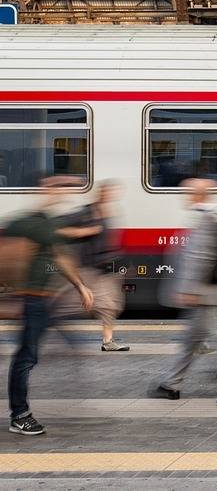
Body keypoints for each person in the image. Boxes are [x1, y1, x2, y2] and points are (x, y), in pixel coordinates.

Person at [149, 178, 217, 404]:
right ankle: (171, 384)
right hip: (207, 292)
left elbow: (200, 257)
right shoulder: (212, 217)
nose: (185, 195)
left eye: (189, 192)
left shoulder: (205, 219)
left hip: (205, 293)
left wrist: (189, 289)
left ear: (199, 195)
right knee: (190, 341)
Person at [4, 177, 94, 436]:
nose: (63, 193)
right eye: (58, 187)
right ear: (45, 189)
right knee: (25, 358)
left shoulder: (49, 224)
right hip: (30, 299)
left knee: (26, 357)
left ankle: (19, 413)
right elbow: (10, 255)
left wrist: (80, 286)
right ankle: (20, 415)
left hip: (42, 301)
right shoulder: (26, 223)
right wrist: (17, 294)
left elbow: (59, 258)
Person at [51, 180, 127, 351]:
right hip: (88, 268)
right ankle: (47, 319)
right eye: (107, 193)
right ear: (99, 194)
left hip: (106, 269)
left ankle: (108, 342)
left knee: (110, 306)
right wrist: (82, 232)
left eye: (112, 193)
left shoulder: (108, 213)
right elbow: (54, 227)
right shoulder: (85, 213)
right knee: (71, 303)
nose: (109, 196)